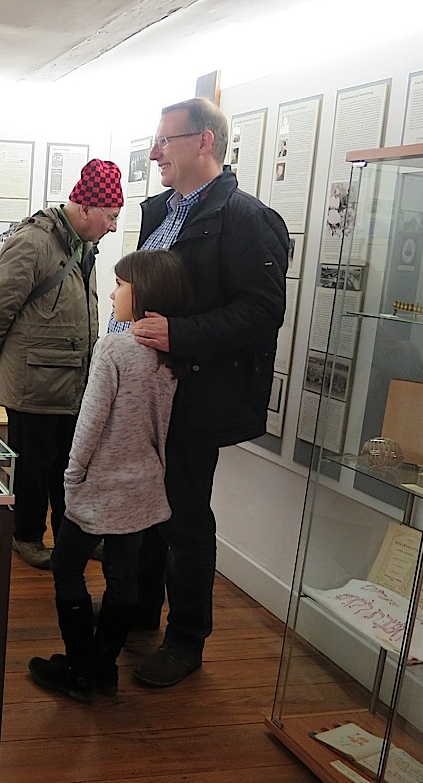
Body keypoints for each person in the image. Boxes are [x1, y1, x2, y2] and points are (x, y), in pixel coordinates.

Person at [123, 98, 288, 687]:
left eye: (164, 141)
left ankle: (187, 639)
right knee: (146, 507)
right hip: (150, 391)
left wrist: (182, 335)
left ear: (204, 142)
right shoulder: (161, 210)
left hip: (197, 394)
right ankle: (140, 611)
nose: (153, 153)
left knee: (185, 518)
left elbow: (263, 311)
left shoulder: (247, 219)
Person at [28, 249, 193, 702]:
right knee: (123, 578)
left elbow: (90, 422)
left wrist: (72, 477)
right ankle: (103, 669)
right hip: (143, 486)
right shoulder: (172, 356)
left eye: (121, 285)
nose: (114, 292)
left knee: (66, 566)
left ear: (144, 293)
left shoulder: (114, 348)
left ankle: (81, 667)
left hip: (99, 485)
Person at [0, 158, 123, 570]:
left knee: (69, 466)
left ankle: (71, 537)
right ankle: (25, 536)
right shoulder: (34, 241)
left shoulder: (83, 244)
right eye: (111, 216)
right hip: (34, 382)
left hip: (72, 380)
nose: (114, 227)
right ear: (86, 207)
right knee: (33, 467)